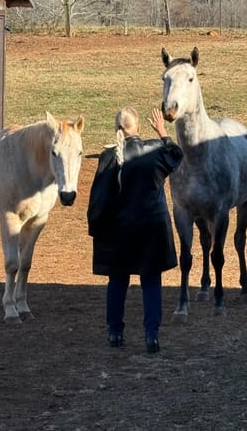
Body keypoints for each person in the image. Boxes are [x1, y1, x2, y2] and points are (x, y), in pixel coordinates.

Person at [87, 107, 183, 353]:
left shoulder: (108, 156)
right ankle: (152, 336)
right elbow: (177, 155)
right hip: (152, 228)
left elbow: (98, 200)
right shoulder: (155, 150)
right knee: (151, 280)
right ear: (139, 127)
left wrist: (96, 229)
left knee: (117, 281)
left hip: (120, 230)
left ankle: (115, 333)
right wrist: (162, 132)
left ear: (116, 129)